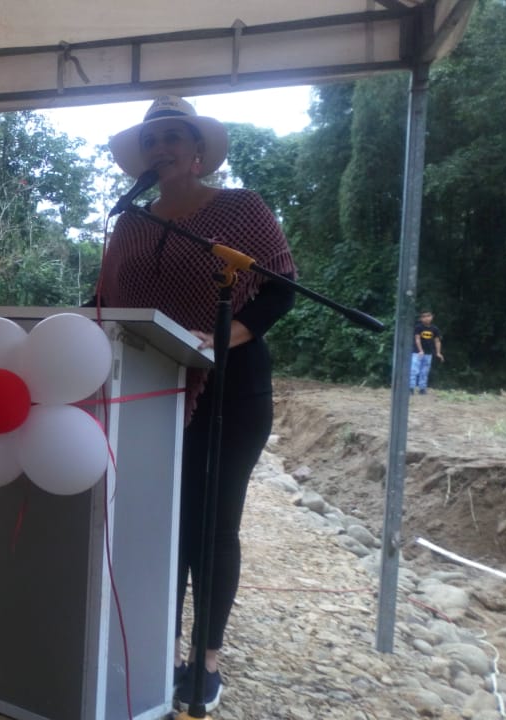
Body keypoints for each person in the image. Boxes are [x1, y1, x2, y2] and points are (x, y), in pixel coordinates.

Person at [101, 95, 297, 712]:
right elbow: (106, 299)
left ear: (198, 151)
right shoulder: (130, 223)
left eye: (172, 138)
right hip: (150, 390)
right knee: (162, 523)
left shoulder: (241, 209)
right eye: (151, 141)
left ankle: (205, 660)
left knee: (213, 527)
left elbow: (280, 289)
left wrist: (220, 338)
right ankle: (161, 646)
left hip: (230, 390)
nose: (160, 148)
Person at [411, 310, 444, 395]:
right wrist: (420, 350)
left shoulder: (435, 329)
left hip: (428, 353)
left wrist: (438, 353)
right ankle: (410, 388)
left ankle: (422, 389)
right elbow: (417, 339)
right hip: (417, 353)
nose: (426, 318)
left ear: (432, 317)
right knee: (414, 370)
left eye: (428, 316)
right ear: (421, 318)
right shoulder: (418, 327)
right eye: (424, 316)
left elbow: (437, 341)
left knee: (425, 371)